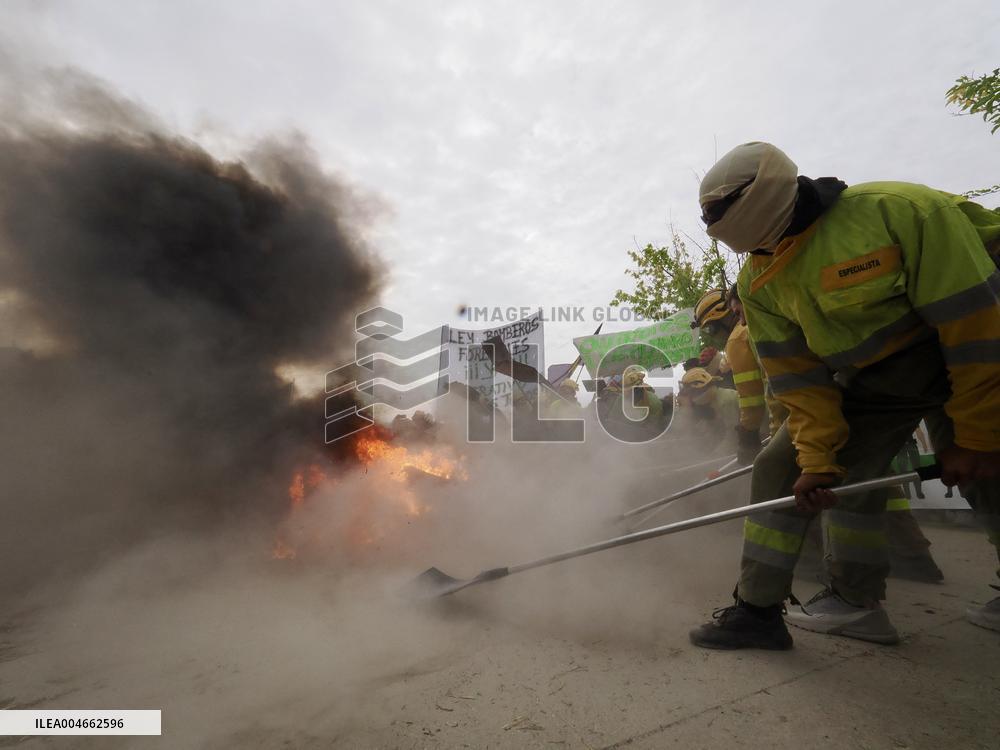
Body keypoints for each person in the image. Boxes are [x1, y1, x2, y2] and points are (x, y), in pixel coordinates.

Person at [688, 141, 1000, 650]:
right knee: (782, 466)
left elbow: (976, 327)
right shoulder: (758, 284)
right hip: (877, 379)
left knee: (989, 466)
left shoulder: (897, 212)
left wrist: (979, 435)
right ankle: (768, 611)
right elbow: (799, 384)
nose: (717, 230)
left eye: (722, 218)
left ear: (763, 197)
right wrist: (816, 459)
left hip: (976, 347)